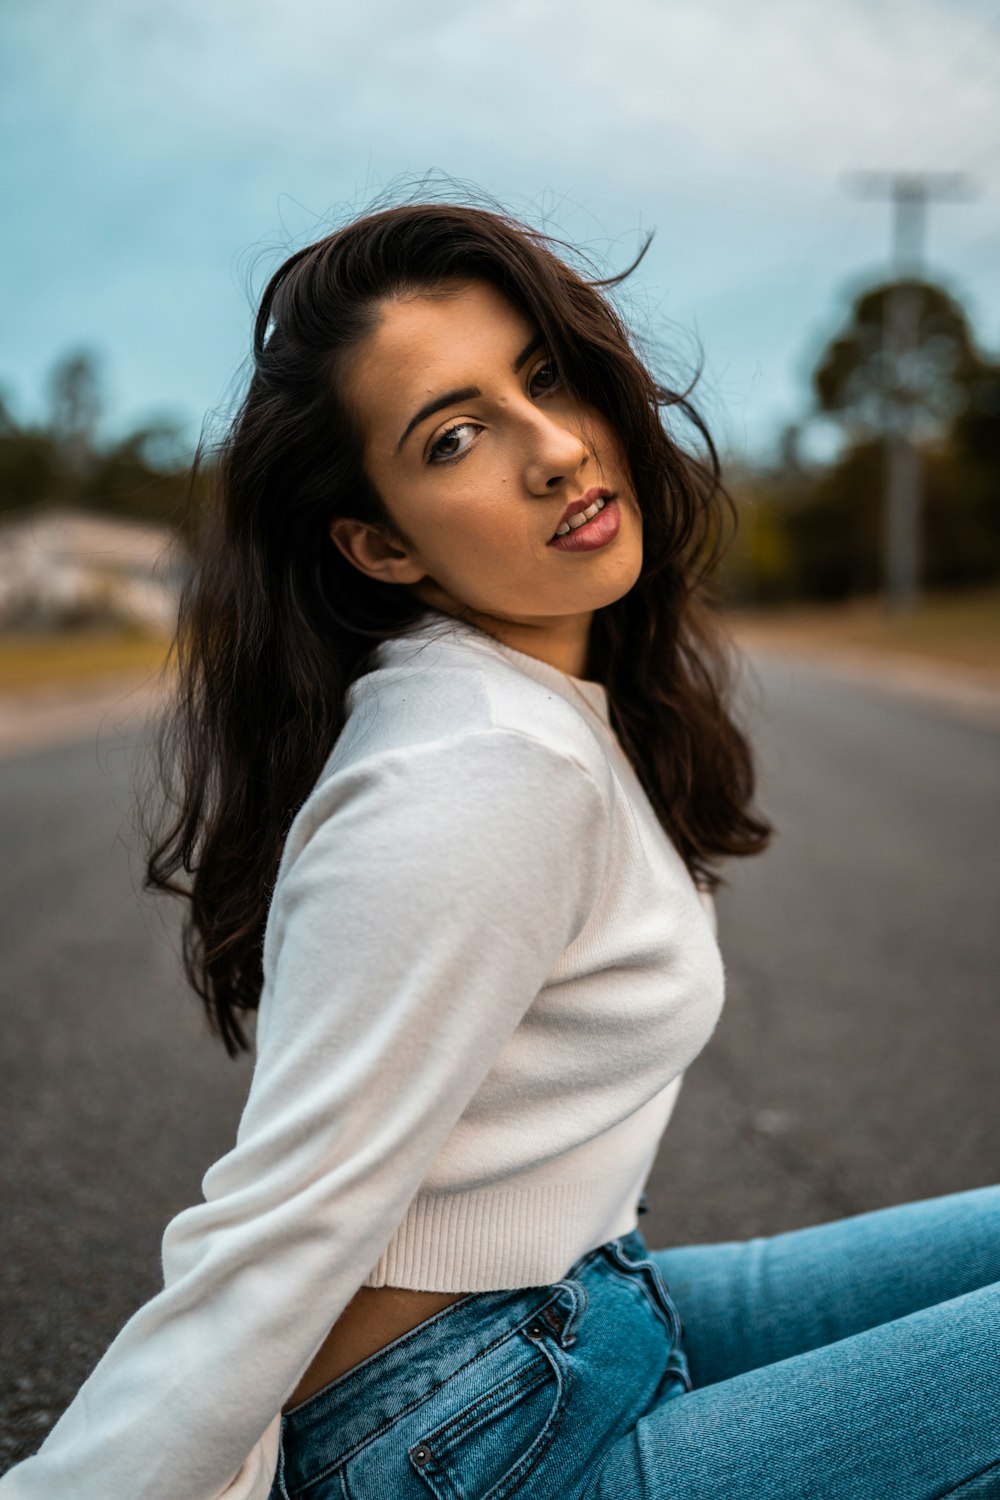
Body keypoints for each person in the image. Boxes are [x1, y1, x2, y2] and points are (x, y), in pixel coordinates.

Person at [2, 200, 997, 1500]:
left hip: (566, 1320)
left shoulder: (525, 703)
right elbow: (279, 1226)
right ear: (380, 542)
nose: (555, 450)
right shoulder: (478, 766)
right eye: (456, 436)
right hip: (467, 1441)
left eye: (543, 378)